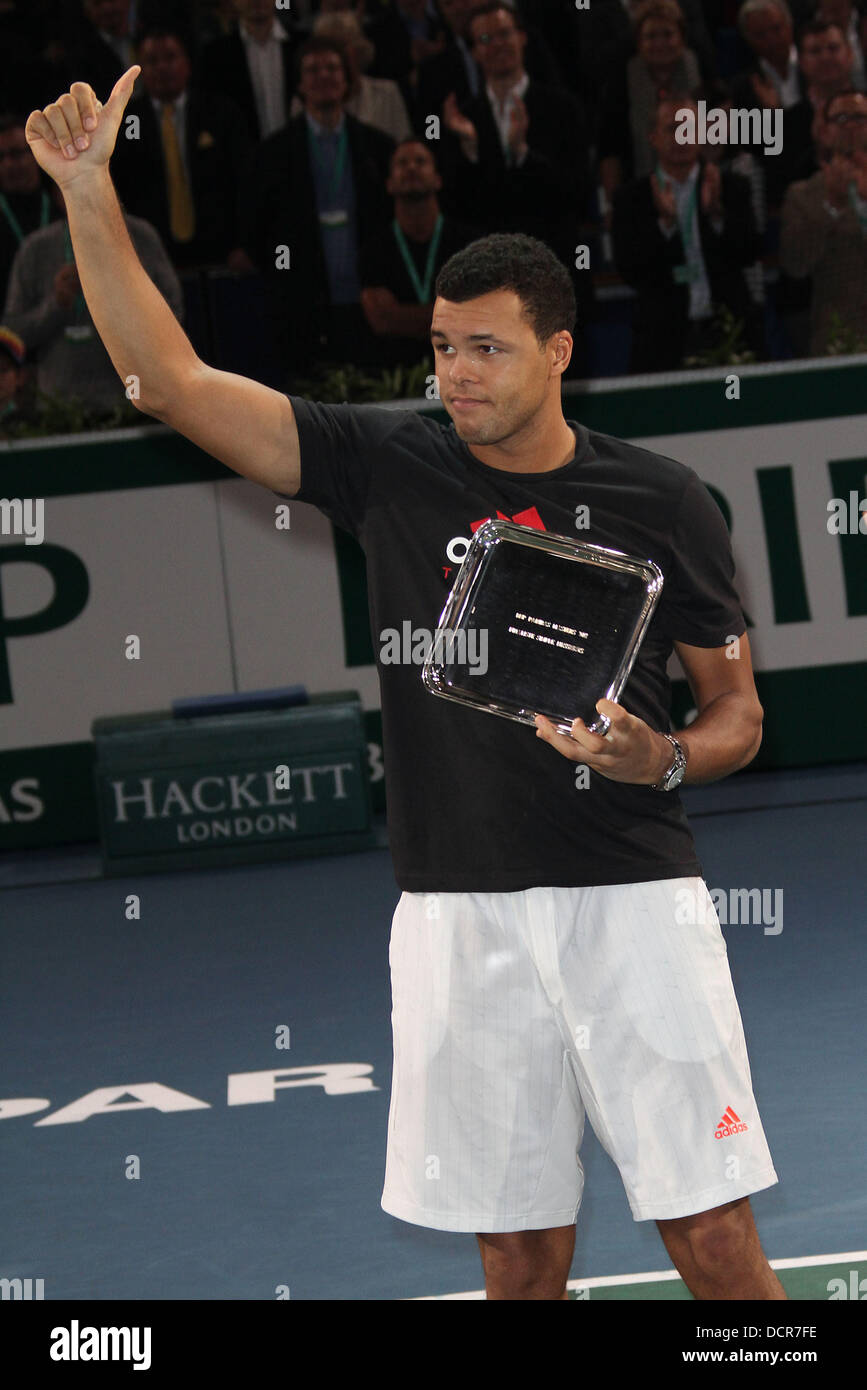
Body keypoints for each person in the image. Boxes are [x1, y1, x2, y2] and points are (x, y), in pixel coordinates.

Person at [25, 65, 788, 1302]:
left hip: (635, 905)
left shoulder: (667, 501)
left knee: (711, 1239)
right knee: (518, 1255)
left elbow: (740, 715)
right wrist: (85, 192)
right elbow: (167, 381)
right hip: (454, 915)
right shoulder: (387, 464)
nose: (458, 373)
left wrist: (661, 756)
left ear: (558, 349)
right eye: (442, 347)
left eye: (487, 348)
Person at [240, 36, 395, 375]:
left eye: (332, 68)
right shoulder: (273, 154)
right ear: (299, 84)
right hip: (303, 302)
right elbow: (258, 231)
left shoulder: (378, 148)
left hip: (369, 300)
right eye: (313, 70)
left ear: (347, 80)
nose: (323, 76)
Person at [612, 96, 761, 371]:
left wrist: (717, 215)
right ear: (653, 137)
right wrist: (666, 226)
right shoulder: (631, 198)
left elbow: (750, 251)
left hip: (728, 327)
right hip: (663, 338)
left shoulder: (730, 187)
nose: (682, 136)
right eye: (672, 128)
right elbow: (630, 270)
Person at [359, 137, 481, 365]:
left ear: (437, 179)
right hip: (396, 376)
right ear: (389, 184)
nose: (412, 167)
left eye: (420, 161)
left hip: (464, 367)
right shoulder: (373, 250)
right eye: (402, 163)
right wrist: (452, 314)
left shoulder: (469, 245)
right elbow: (382, 321)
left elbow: (478, 315)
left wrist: (401, 315)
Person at [779, 88, 867, 352]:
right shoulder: (803, 195)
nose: (850, 126)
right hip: (840, 337)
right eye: (840, 118)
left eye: (860, 118)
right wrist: (833, 205)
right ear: (824, 130)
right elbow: (795, 265)